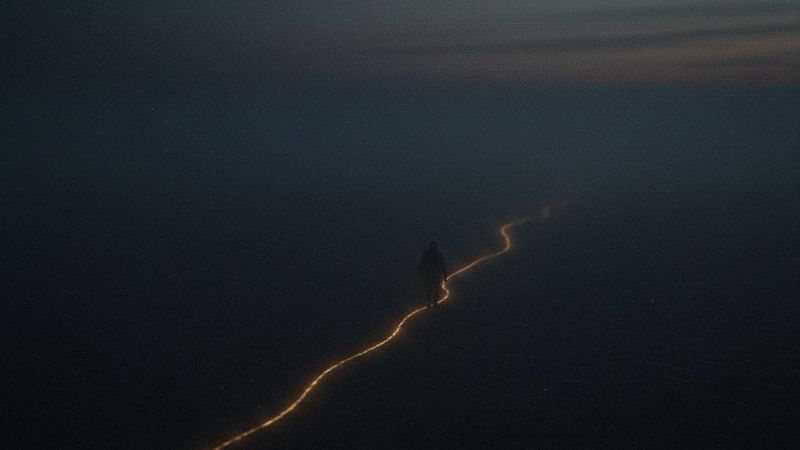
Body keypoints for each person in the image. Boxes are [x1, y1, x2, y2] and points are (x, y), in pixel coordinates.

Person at [419, 241, 448, 307]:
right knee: (431, 288)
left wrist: (445, 275)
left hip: (432, 274)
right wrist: (445, 275)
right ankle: (432, 302)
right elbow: (423, 263)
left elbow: (442, 265)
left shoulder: (429, 254)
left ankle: (433, 302)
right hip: (431, 274)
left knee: (433, 288)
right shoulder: (435, 254)